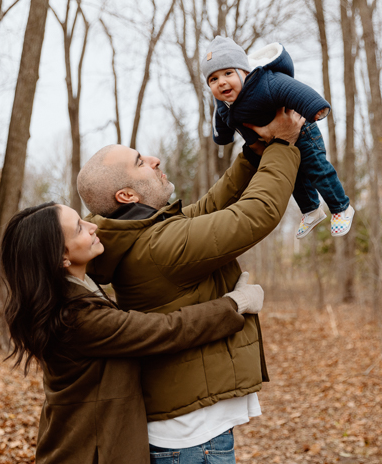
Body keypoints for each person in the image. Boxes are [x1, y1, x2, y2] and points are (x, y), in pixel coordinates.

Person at [77, 109, 304, 463]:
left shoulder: (142, 235)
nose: (154, 159)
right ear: (127, 196)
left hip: (189, 433)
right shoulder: (158, 246)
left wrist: (253, 154)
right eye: (140, 162)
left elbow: (211, 207)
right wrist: (285, 144)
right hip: (192, 442)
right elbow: (255, 214)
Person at [0, 202, 265, 464]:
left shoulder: (76, 293)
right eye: (79, 228)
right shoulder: (75, 318)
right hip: (87, 454)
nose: (93, 226)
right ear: (61, 257)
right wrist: (234, 303)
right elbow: (165, 330)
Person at [202, 36, 356, 238]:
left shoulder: (263, 82)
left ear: (244, 71)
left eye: (228, 73)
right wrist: (221, 136)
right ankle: (311, 210)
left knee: (316, 169)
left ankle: (341, 208)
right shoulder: (223, 102)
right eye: (213, 79)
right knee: (293, 177)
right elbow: (222, 119)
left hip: (302, 130)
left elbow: (292, 89)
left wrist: (315, 107)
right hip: (276, 141)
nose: (221, 82)